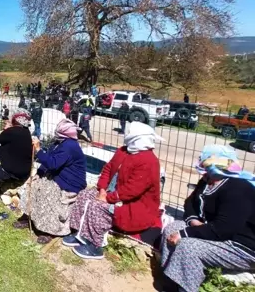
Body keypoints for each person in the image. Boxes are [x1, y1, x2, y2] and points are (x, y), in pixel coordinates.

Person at [160, 145, 255, 292]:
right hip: (216, 232)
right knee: (172, 228)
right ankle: (171, 279)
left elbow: (224, 229)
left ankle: (187, 288)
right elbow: (190, 203)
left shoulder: (239, 188)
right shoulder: (208, 181)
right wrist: (193, 221)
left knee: (188, 247)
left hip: (241, 246)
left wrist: (185, 233)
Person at [66, 122, 163, 260]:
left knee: (97, 206)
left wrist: (108, 198)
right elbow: (108, 168)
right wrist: (102, 189)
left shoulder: (149, 161)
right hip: (111, 193)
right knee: (84, 195)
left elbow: (132, 190)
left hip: (132, 204)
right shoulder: (123, 151)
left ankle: (95, 245)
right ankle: (79, 232)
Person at [15, 119, 87, 243]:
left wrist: (38, 150)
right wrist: (39, 173)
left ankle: (50, 230)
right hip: (58, 176)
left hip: (69, 183)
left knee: (49, 195)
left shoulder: (70, 146)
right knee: (35, 185)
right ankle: (29, 217)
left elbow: (53, 163)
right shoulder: (59, 142)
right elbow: (49, 158)